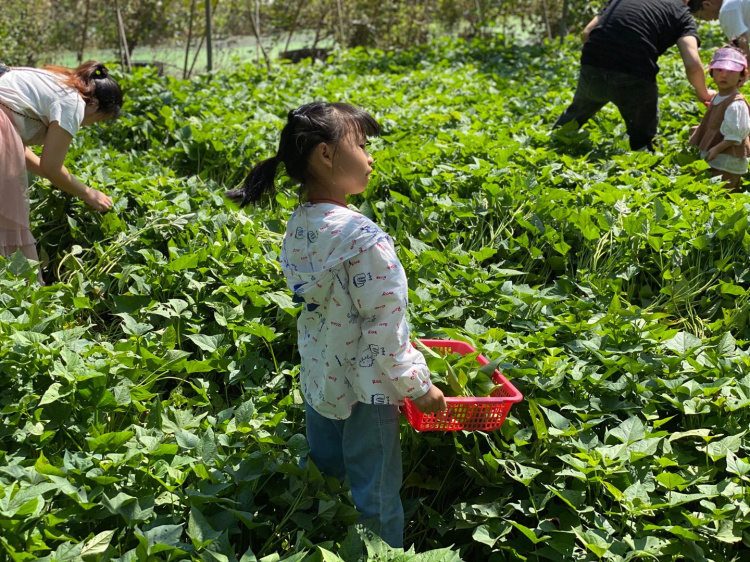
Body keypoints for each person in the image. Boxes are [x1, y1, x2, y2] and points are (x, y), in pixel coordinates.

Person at [226, 101, 447, 548]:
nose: (370, 157)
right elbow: (385, 329)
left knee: (326, 471)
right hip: (370, 387)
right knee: (377, 492)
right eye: (362, 146)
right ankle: (383, 555)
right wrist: (418, 386)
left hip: (320, 375)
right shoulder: (366, 240)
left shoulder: (300, 225)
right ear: (326, 156)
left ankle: (320, 538)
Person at [0, 61, 122, 282]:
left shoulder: (60, 83)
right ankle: (16, 294)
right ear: (94, 105)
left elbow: (15, 147)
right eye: (96, 121)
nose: (88, 125)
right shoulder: (73, 103)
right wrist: (87, 193)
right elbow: (51, 167)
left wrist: (59, 178)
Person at [553, 0, 713, 151]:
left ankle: (552, 143)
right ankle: (644, 158)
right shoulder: (681, 12)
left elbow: (586, 34)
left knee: (574, 117)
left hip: (593, 61)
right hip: (634, 71)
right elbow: (692, 63)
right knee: (643, 139)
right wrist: (703, 92)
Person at [689, 46, 750, 190]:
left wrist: (717, 148)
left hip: (726, 164)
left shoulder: (736, 104)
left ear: (742, 76)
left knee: (723, 196)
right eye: (719, 70)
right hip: (715, 161)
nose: (724, 75)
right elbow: (718, 124)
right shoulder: (718, 97)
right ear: (711, 72)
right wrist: (700, 130)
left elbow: (736, 134)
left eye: (731, 71)